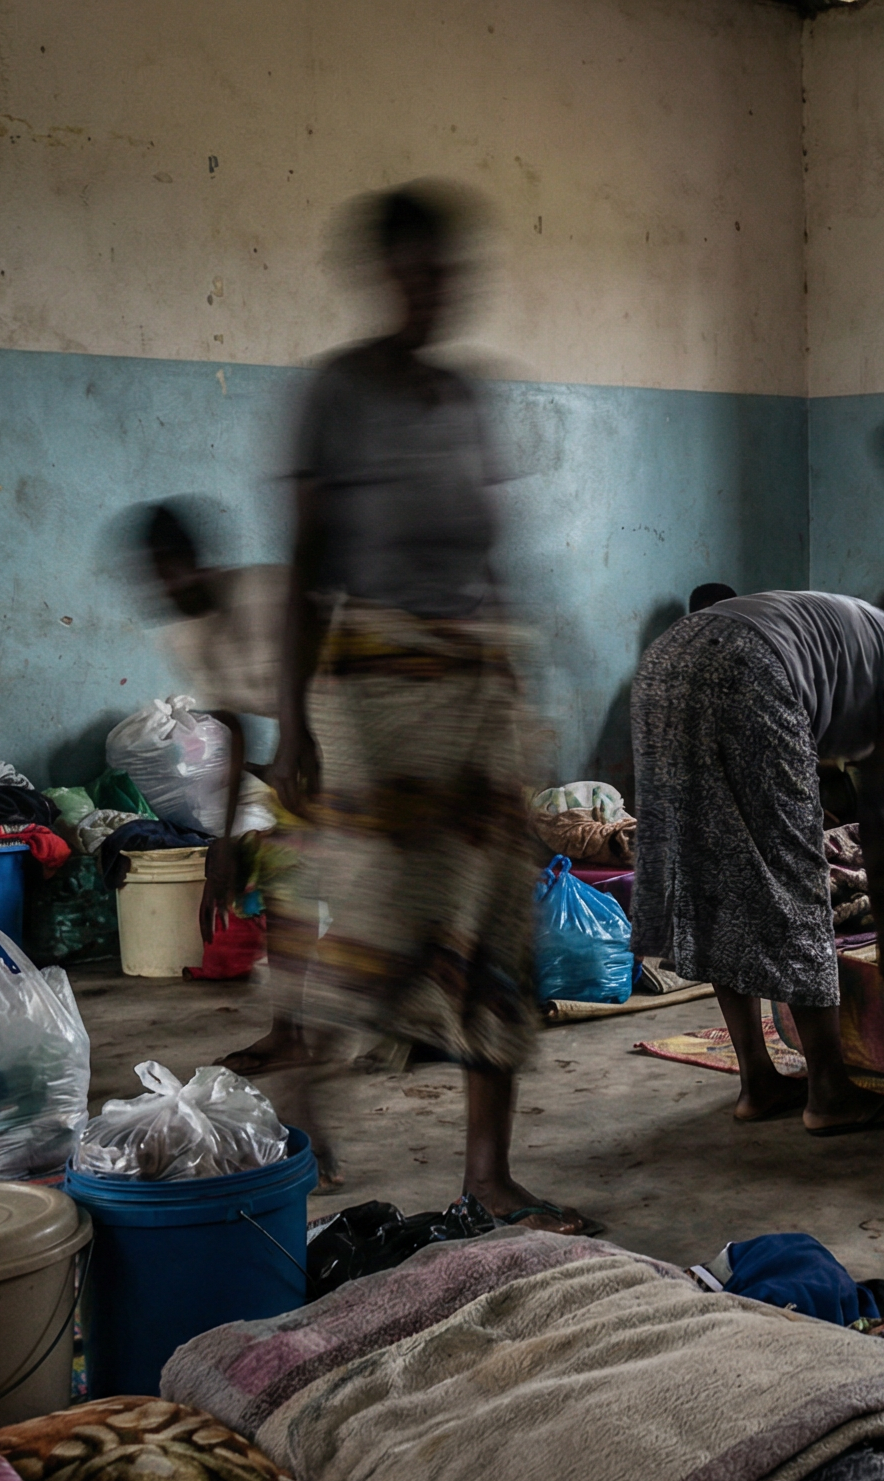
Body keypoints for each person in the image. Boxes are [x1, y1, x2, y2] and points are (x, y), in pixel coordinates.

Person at [262, 181, 590, 1231]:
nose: (432, 291)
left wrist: (519, 683)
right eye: (413, 272)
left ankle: (488, 1175)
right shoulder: (339, 391)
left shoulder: (464, 395)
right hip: (371, 685)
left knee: (495, 919)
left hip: (473, 682)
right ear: (383, 275)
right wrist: (292, 723)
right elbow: (305, 563)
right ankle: (302, 1094)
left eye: (446, 274)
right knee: (380, 916)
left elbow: (493, 556)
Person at [632, 588, 884, 1134]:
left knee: (709, 870)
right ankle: (830, 1092)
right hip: (749, 664)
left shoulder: (867, 636)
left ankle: (758, 1081)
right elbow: (883, 803)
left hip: (664, 661)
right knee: (794, 873)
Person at [135, 497, 308, 1066]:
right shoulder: (185, 636)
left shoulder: (265, 592)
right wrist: (225, 840)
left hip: (354, 721)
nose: (169, 586)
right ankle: (291, 1033)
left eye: (173, 568)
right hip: (306, 750)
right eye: (156, 577)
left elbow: (314, 674)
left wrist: (293, 748)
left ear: (197, 560)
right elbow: (233, 730)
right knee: (283, 877)